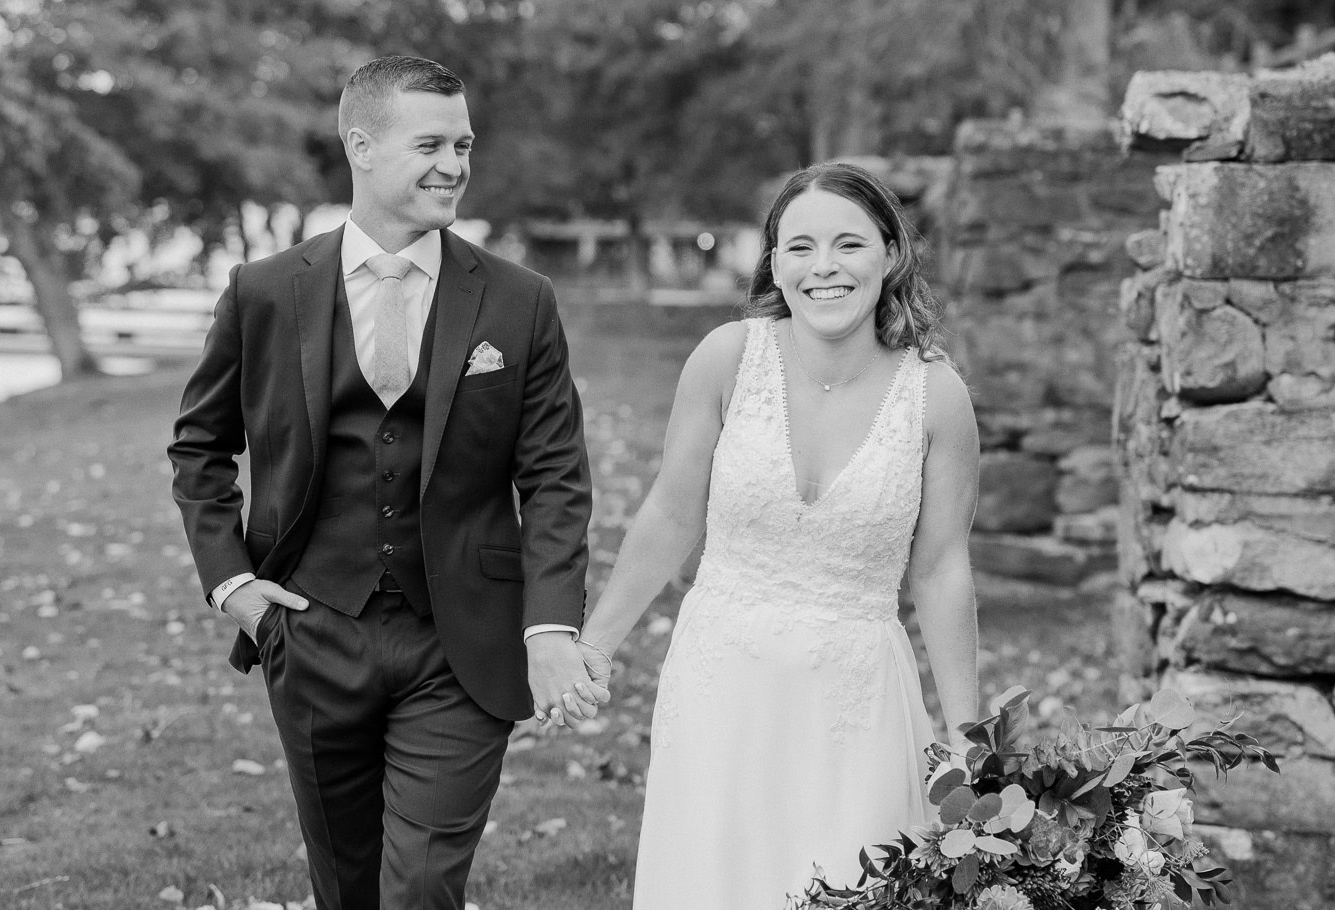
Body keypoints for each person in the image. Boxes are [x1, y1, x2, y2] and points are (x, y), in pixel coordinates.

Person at [168, 56, 605, 910]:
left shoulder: (519, 300)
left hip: (462, 641)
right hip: (310, 628)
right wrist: (234, 588)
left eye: (463, 145)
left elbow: (555, 475)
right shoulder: (264, 292)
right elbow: (199, 447)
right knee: (346, 884)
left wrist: (550, 624)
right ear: (361, 147)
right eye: (430, 145)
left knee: (422, 886)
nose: (454, 165)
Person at [575, 162, 981, 909]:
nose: (823, 267)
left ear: (891, 254)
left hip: (857, 700)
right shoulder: (726, 358)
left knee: (855, 882)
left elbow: (940, 571)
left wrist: (968, 738)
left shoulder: (937, 397)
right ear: (773, 262)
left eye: (848, 244)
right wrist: (596, 646)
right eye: (799, 247)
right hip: (722, 682)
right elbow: (672, 513)